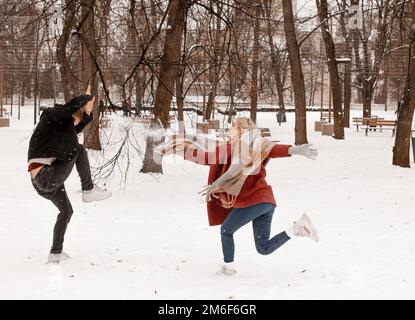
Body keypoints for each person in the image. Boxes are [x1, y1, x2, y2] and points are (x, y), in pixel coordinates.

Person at [158, 117, 319, 275]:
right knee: (263, 248)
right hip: (266, 203)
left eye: (232, 126)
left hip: (254, 201)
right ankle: (297, 228)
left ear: (240, 129)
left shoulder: (253, 143)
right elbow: (204, 157)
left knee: (226, 230)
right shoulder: (227, 148)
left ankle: (228, 268)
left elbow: (272, 149)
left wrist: (295, 150)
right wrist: (176, 150)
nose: (229, 129)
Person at [28, 92, 112, 263]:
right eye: (73, 120)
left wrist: (87, 113)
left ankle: (55, 253)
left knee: (66, 211)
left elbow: (76, 126)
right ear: (67, 117)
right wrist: (85, 98)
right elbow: (68, 110)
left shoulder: (56, 131)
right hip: (45, 176)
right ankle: (88, 189)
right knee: (79, 149)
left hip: (42, 183)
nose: (74, 125)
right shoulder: (50, 116)